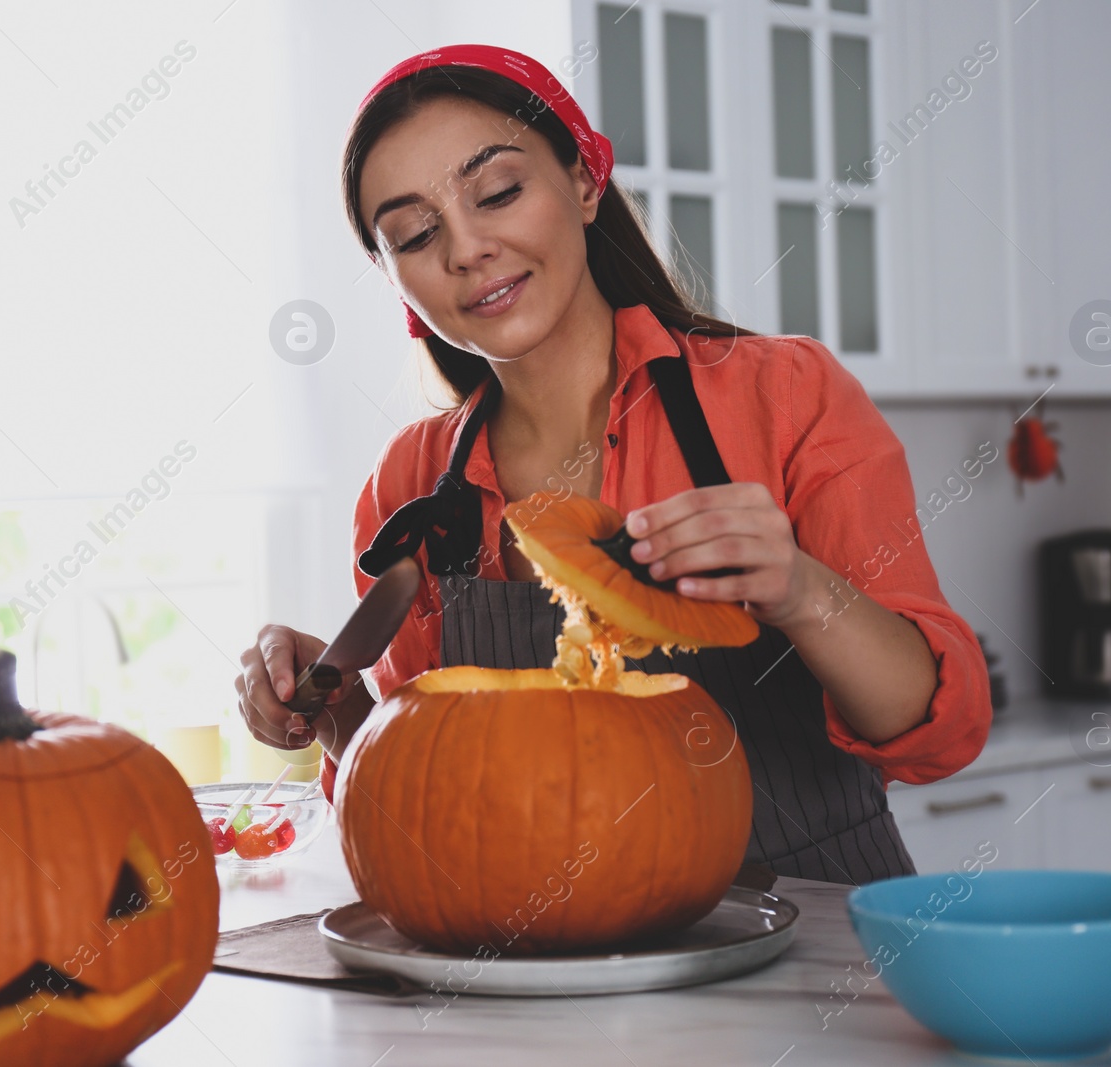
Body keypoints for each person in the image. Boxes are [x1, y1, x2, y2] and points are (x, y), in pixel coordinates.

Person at [236, 44, 992, 883]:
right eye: (416, 234)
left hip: (814, 954)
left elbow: (936, 730)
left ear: (586, 182)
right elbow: (425, 803)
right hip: (559, 972)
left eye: (498, 192)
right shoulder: (410, 483)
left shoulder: (784, 394)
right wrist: (340, 713)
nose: (467, 249)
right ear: (397, 282)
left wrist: (799, 588)